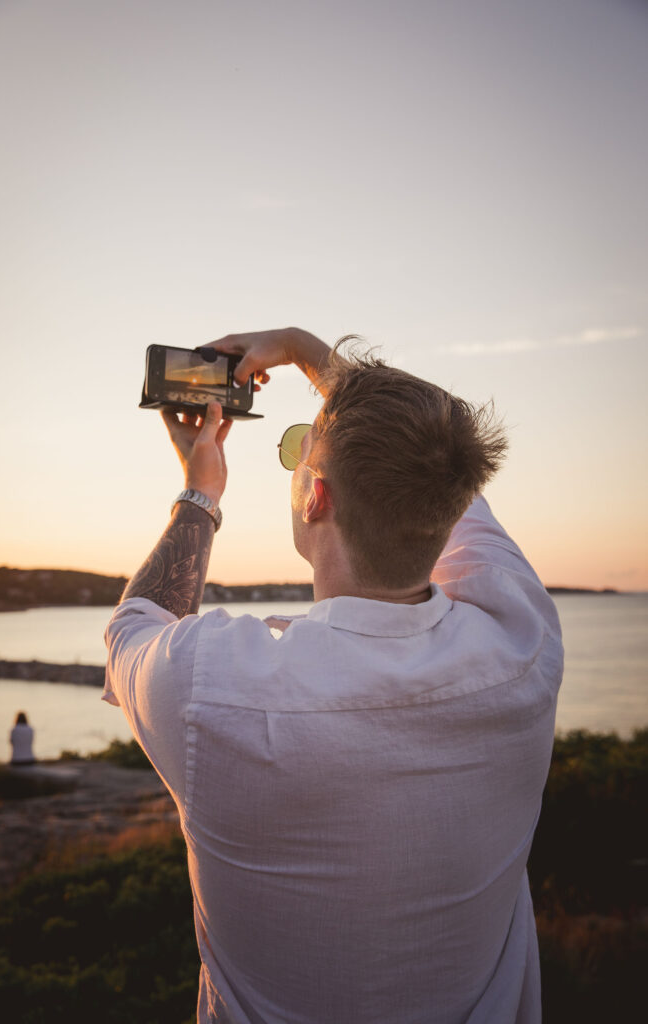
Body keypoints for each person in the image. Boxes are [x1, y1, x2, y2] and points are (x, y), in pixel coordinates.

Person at [103, 327, 563, 1024]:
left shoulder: (212, 685)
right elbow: (437, 464)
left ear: (313, 497)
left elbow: (134, 627)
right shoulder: (522, 641)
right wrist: (302, 350)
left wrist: (200, 489)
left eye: (297, 453)